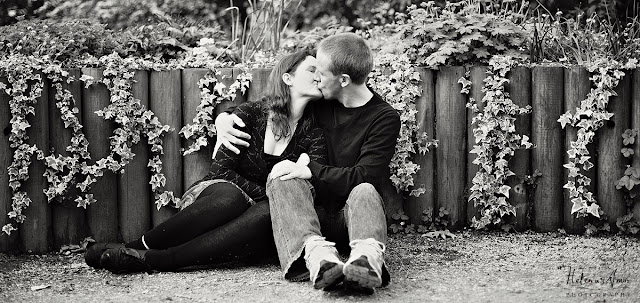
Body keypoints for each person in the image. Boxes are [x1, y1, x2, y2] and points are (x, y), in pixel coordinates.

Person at [84, 49, 327, 273]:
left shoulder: (313, 133)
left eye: (321, 71)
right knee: (232, 199)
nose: (319, 76)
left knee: (267, 212)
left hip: (250, 224)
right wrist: (270, 193)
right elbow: (221, 171)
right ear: (288, 78)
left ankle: (157, 259)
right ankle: (134, 246)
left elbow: (311, 186)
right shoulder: (250, 114)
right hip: (215, 200)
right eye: (311, 69)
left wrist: (267, 201)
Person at [216, 33, 401, 293]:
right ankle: (321, 261)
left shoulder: (384, 117)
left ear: (343, 80)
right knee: (282, 174)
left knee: (366, 189)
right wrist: (224, 118)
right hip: (304, 216)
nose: (316, 78)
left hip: (351, 218)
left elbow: (365, 175)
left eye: (321, 73)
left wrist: (310, 169)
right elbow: (269, 107)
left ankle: (366, 260)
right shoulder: (320, 103)